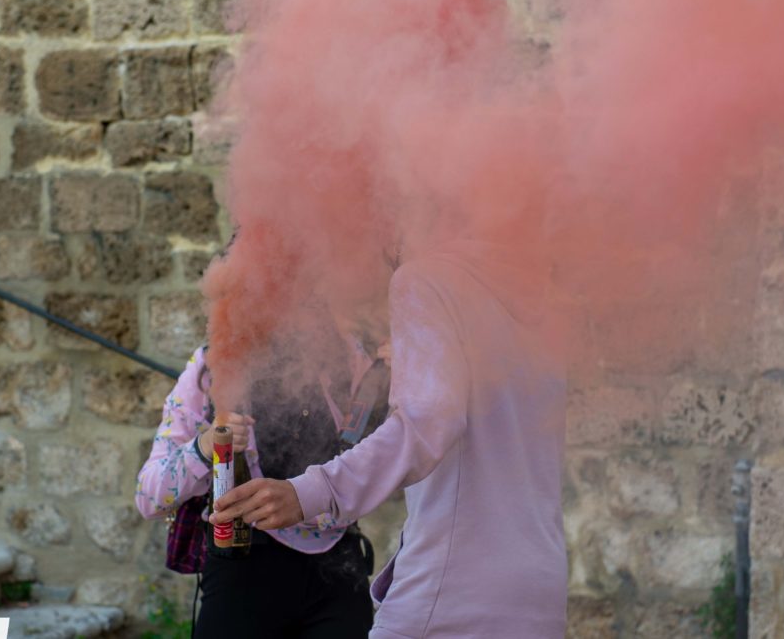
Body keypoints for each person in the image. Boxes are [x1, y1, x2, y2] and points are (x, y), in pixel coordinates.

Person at [210, 248, 568, 638]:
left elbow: (424, 423)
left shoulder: (425, 279)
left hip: (455, 590)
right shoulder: (533, 302)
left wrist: (313, 490)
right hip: (541, 589)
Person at [136, 318, 392, 639]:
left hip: (339, 567)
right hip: (244, 565)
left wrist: (403, 373)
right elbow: (149, 497)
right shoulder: (213, 365)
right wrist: (205, 447)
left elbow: (392, 451)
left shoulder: (353, 354)